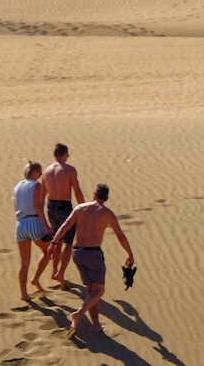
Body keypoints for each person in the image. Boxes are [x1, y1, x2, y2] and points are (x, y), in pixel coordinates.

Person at [49, 183, 134, 341]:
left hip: (76, 253)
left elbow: (65, 226)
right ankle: (79, 314)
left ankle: (96, 324)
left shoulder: (80, 208)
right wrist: (129, 253)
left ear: (94, 195)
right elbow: (120, 236)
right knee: (99, 292)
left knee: (92, 293)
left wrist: (54, 243)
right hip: (93, 254)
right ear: (106, 198)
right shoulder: (107, 213)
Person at [41, 142, 84, 288]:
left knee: (57, 240)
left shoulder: (46, 171)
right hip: (64, 206)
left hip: (50, 206)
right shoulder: (69, 170)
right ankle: (61, 272)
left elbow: (42, 195)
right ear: (65, 155)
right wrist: (83, 207)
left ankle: (54, 270)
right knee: (69, 242)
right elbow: (77, 190)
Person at [12, 161, 53, 302]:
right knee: (48, 252)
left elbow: (15, 207)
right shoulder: (36, 185)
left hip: (20, 224)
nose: (41, 175)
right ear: (34, 172)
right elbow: (38, 207)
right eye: (40, 172)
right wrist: (47, 226)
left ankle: (23, 294)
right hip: (34, 221)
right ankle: (35, 279)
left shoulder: (17, 187)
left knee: (24, 263)